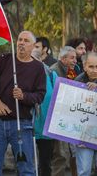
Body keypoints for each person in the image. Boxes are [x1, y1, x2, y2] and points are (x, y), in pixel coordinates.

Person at [0, 31, 46, 176]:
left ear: (33, 46)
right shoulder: (4, 60)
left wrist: (24, 96)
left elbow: (40, 95)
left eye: (26, 41)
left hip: (22, 124)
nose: (21, 43)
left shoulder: (38, 68)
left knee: (26, 170)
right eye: (19, 40)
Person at [50, 45, 78, 176]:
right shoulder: (53, 71)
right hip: (58, 119)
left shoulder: (74, 71)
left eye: (76, 58)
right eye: (72, 58)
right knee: (60, 155)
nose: (75, 61)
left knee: (74, 155)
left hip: (73, 117)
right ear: (63, 58)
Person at [32, 45, 58, 176]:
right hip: (28, 127)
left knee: (45, 163)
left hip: (46, 128)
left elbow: (58, 99)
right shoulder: (20, 76)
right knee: (27, 164)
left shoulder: (51, 75)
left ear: (40, 60)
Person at [74, 52, 97, 176]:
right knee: (84, 171)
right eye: (91, 66)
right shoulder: (77, 82)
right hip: (84, 135)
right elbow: (72, 111)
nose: (94, 70)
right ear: (84, 66)